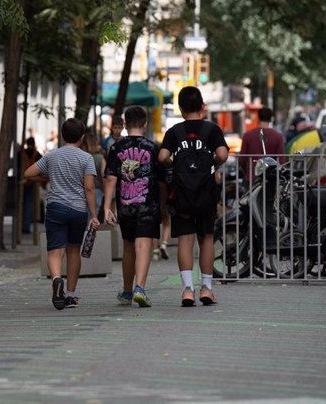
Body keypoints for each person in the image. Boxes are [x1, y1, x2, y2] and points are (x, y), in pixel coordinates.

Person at [159, 86, 228, 307]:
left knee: (185, 240)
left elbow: (162, 156)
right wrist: (213, 165)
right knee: (206, 238)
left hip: (182, 192)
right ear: (202, 107)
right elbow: (223, 154)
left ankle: (187, 290)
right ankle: (206, 288)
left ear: (180, 108)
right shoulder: (212, 129)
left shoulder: (175, 132)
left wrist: (174, 164)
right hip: (206, 192)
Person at [24, 118, 100, 310]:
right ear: (82, 137)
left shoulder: (52, 156)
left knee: (55, 251)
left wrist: (49, 174)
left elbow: (28, 173)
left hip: (56, 207)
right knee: (73, 250)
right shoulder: (86, 158)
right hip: (78, 210)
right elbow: (89, 188)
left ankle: (57, 279)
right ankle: (71, 295)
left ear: (63, 134)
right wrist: (94, 214)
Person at [103, 106, 165, 308]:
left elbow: (111, 179)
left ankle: (127, 290)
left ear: (125, 124)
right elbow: (163, 180)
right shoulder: (153, 147)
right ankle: (140, 288)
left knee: (129, 245)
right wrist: (163, 205)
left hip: (125, 205)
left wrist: (106, 207)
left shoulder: (116, 148)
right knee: (143, 244)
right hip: (148, 205)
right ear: (145, 125)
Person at [239, 107, 285, 182]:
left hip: (252, 177)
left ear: (258, 117)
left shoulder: (247, 135)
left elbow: (242, 159)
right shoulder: (278, 136)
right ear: (271, 119)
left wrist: (247, 171)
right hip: (272, 179)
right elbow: (281, 160)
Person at [20, 137, 43, 235]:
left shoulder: (21, 154)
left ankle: (23, 225)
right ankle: (26, 226)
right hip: (33, 183)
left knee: (22, 205)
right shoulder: (37, 155)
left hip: (22, 183)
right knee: (29, 205)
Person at [83, 131, 106, 215]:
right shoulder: (100, 158)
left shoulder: (81, 157)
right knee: (93, 217)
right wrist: (105, 191)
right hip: (97, 191)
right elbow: (104, 175)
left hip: (81, 190)